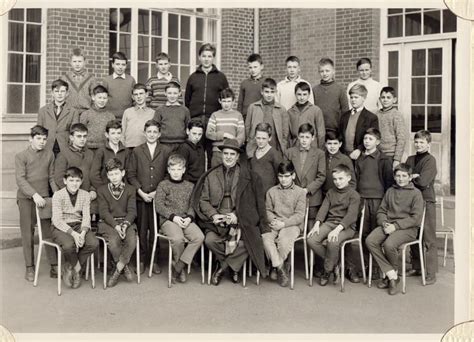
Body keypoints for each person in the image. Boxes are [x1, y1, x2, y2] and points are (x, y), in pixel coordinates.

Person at [194, 139, 269, 285]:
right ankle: (235, 266)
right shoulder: (211, 175)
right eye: (226, 153)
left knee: (249, 242)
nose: (228, 157)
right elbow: (203, 200)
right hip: (217, 218)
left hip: (238, 218)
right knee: (209, 240)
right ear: (222, 155)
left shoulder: (247, 176)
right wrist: (214, 215)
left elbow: (251, 203)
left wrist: (237, 215)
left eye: (232, 154)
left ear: (237, 156)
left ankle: (222, 268)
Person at [365, 163, 424, 295]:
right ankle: (393, 275)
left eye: (404, 176)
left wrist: (396, 226)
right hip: (388, 225)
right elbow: (381, 211)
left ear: (410, 177)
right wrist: (384, 223)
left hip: (407, 229)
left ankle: (391, 276)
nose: (400, 179)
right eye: (398, 176)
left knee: (389, 244)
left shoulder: (416, 194)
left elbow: (415, 218)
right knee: (370, 240)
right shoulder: (390, 191)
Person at [127, 119, 173, 274]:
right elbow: (131, 174)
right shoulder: (137, 151)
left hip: (157, 198)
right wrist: (140, 191)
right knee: (141, 229)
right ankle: (141, 259)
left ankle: (154, 260)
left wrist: (157, 192)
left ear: (159, 134)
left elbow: (168, 174)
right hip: (141, 197)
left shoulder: (166, 151)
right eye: (149, 132)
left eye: (155, 132)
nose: (152, 134)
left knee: (154, 230)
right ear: (144, 133)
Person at [15, 125, 59, 281]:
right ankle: (29, 267)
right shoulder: (21, 156)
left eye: (44, 139)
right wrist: (34, 195)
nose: (42, 142)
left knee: (48, 232)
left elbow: (51, 178)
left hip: (45, 199)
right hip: (26, 199)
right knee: (27, 233)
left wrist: (58, 196)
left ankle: (54, 266)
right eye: (38, 138)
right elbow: (20, 179)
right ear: (30, 139)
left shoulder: (49, 155)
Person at [307, 164, 361, 286]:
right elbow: (323, 209)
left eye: (341, 178)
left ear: (348, 178)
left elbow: (351, 216)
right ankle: (335, 263)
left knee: (333, 241)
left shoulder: (354, 195)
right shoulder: (331, 192)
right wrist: (317, 224)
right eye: (335, 179)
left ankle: (327, 271)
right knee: (311, 239)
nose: (337, 182)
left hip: (347, 227)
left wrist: (337, 230)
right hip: (330, 223)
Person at [155, 154, 204, 283]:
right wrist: (173, 217)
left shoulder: (190, 186)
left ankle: (178, 266)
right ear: (169, 170)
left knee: (199, 237)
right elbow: (159, 205)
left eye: (179, 169)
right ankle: (180, 270)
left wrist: (189, 217)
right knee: (178, 239)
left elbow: (193, 205)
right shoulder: (163, 185)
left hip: (185, 219)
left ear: (183, 170)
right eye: (173, 169)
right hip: (169, 220)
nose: (176, 172)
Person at [352, 127, 393, 282]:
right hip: (363, 200)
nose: (367, 142)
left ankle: (377, 267)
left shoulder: (383, 159)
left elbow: (389, 183)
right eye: (365, 139)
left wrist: (385, 204)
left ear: (378, 141)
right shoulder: (360, 159)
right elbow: (356, 179)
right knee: (363, 233)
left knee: (375, 234)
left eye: (370, 139)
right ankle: (366, 265)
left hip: (378, 201)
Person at [51, 167, 99, 289]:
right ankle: (77, 270)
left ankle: (69, 266)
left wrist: (82, 233)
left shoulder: (85, 195)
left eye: (77, 181)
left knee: (93, 243)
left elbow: (86, 217)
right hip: (60, 227)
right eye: (71, 180)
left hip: (78, 226)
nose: (74, 184)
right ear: (65, 181)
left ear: (81, 181)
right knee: (68, 245)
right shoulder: (58, 195)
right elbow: (57, 220)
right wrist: (74, 234)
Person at [262, 160, 306, 287]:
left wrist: (284, 224)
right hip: (274, 223)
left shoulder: (300, 192)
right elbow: (268, 210)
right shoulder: (271, 191)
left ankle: (274, 265)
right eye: (280, 176)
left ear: (293, 176)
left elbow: (299, 215)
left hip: (292, 224)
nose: (283, 179)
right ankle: (280, 266)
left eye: (287, 176)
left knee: (284, 240)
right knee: (265, 237)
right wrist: (273, 220)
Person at [185, 43, 229, 167]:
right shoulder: (193, 77)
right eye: (204, 56)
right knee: (196, 153)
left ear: (213, 58)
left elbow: (226, 98)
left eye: (209, 56)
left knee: (212, 154)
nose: (206, 59)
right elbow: (187, 100)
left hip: (213, 120)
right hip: (196, 120)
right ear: (199, 57)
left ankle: (210, 182)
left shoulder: (221, 77)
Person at [97, 158, 137, 287]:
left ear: (123, 173)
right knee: (114, 241)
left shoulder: (130, 189)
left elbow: (132, 211)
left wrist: (124, 225)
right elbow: (103, 212)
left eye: (117, 173)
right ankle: (125, 267)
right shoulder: (102, 190)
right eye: (111, 174)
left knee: (132, 241)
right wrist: (116, 226)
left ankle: (118, 268)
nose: (114, 177)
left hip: (126, 222)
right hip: (108, 223)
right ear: (107, 176)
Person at [405, 130, 438, 285]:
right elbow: (402, 177)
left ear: (428, 144)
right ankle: (417, 267)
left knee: (428, 236)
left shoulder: (430, 161)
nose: (418, 145)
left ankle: (431, 271)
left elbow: (424, 181)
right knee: (414, 233)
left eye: (422, 142)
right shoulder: (410, 159)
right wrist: (412, 177)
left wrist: (412, 177)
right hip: (411, 201)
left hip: (426, 201)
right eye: (416, 142)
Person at [284, 123, 326, 229]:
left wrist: (307, 190)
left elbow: (321, 176)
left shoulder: (319, 154)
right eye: (302, 136)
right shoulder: (289, 152)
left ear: (313, 138)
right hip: (293, 195)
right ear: (298, 136)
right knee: (293, 225)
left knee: (311, 227)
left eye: (307, 137)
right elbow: (285, 174)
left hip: (312, 196)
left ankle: (309, 245)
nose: (304, 140)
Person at [245, 78, 289, 158]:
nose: (269, 95)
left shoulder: (281, 109)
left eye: (272, 92)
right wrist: (250, 141)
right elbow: (247, 128)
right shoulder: (253, 107)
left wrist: (283, 145)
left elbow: (285, 132)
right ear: (262, 92)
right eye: (266, 92)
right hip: (256, 146)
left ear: (276, 92)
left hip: (274, 146)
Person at [54, 123, 96, 203]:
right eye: (79, 136)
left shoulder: (90, 154)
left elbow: (94, 174)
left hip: (88, 196)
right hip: (71, 197)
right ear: (71, 138)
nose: (82, 139)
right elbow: (59, 177)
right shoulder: (63, 154)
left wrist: (93, 190)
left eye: (85, 136)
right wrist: (71, 192)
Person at [37, 79, 80, 156]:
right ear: (52, 93)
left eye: (62, 91)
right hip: (47, 147)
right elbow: (39, 131)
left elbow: (75, 133)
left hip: (65, 149)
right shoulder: (43, 111)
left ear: (67, 93)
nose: (59, 94)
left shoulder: (73, 111)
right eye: (57, 91)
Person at [206, 88, 245, 167]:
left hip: (233, 152)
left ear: (233, 101)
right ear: (220, 101)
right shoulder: (215, 115)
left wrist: (233, 147)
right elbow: (209, 133)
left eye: (229, 101)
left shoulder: (238, 115)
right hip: (218, 152)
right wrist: (224, 134)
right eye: (224, 101)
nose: (226, 104)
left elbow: (241, 136)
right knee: (216, 176)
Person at [340, 83, 379, 161]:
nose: (353, 100)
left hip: (361, 155)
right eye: (351, 97)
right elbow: (340, 134)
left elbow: (373, 138)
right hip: (344, 154)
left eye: (356, 97)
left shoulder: (371, 117)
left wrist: (359, 149)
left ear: (363, 98)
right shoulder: (344, 116)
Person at [90, 119, 130, 190]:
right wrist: (103, 189)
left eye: (118, 133)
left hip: (121, 190)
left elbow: (127, 173)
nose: (116, 136)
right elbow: (94, 175)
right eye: (113, 133)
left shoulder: (126, 151)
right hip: (104, 189)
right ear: (107, 135)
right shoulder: (101, 151)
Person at [312, 57, 349, 133]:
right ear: (319, 73)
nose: (324, 74)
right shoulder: (314, 90)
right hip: (319, 130)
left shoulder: (340, 89)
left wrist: (342, 129)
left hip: (336, 130)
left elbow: (345, 111)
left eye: (327, 71)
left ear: (333, 71)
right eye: (322, 71)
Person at [375, 86, 408, 168]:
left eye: (388, 97)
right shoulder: (376, 115)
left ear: (394, 100)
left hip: (391, 155)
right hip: (378, 154)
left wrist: (397, 159)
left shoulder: (396, 115)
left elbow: (401, 138)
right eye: (383, 97)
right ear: (379, 99)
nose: (385, 100)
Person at [153, 81, 190, 151]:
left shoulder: (185, 110)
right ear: (165, 93)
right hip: (163, 144)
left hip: (181, 144)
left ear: (179, 93)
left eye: (175, 93)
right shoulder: (160, 110)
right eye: (169, 93)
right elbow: (155, 127)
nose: (172, 96)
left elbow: (188, 127)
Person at [287, 81, 325, 149]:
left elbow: (321, 133)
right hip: (296, 147)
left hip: (312, 147)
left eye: (304, 94)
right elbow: (288, 134)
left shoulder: (316, 110)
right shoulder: (290, 112)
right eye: (299, 94)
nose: (302, 97)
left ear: (309, 94)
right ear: (295, 94)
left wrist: (320, 150)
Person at [60, 48, 97, 115]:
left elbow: (95, 98)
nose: (77, 64)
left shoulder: (91, 79)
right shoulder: (65, 78)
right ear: (70, 62)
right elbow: (61, 97)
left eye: (80, 61)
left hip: (86, 112)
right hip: (69, 113)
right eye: (74, 61)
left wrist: (92, 112)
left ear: (84, 62)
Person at [248, 123, 282, 196]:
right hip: (254, 195)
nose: (260, 141)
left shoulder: (274, 154)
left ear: (269, 138)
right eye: (258, 138)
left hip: (269, 195)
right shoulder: (253, 153)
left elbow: (280, 176)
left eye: (264, 138)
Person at [79, 85, 116, 152]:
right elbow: (80, 133)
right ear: (93, 97)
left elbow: (113, 134)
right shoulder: (86, 114)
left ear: (107, 99)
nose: (102, 100)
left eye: (104, 98)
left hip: (105, 149)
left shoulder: (111, 116)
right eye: (99, 97)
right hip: (88, 149)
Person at [102, 51, 136, 119]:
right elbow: (102, 100)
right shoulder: (106, 80)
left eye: (123, 65)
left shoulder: (131, 80)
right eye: (117, 64)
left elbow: (135, 100)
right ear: (112, 65)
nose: (120, 67)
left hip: (127, 118)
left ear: (126, 66)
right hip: (110, 118)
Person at [122, 83, 156, 149]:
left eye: (141, 93)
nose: (138, 96)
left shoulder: (152, 113)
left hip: (146, 148)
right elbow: (122, 133)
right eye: (136, 94)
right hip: (129, 147)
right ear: (133, 97)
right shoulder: (127, 112)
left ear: (146, 94)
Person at [237, 53, 264, 121]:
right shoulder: (244, 83)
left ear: (261, 66)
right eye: (250, 67)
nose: (252, 70)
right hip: (246, 117)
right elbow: (240, 103)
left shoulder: (266, 82)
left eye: (255, 67)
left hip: (261, 116)